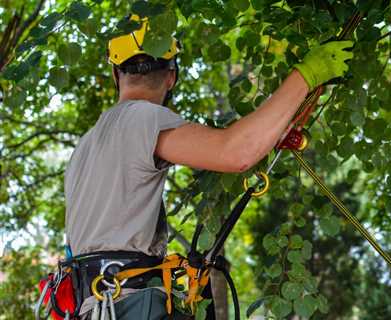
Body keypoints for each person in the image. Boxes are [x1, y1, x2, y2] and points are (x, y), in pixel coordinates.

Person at [64, 15, 353, 320]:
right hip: (128, 305)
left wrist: (270, 134)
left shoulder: (86, 145)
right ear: (172, 76)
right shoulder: (143, 117)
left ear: (115, 72)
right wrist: (307, 75)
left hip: (92, 307)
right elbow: (235, 151)